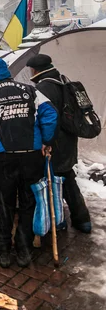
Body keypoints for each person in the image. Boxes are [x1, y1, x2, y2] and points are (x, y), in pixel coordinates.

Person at [0, 58, 58, 269]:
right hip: (32, 156)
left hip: (3, 160)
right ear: (7, 72)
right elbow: (50, 114)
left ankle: (2, 252)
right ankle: (24, 250)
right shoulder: (30, 91)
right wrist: (46, 141)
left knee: (4, 205)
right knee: (29, 203)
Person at [26, 54, 96, 234]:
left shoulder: (43, 88)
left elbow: (47, 118)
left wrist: (46, 142)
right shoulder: (63, 80)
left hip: (55, 142)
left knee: (55, 181)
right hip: (69, 139)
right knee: (66, 178)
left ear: (36, 70)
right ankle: (81, 219)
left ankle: (62, 220)